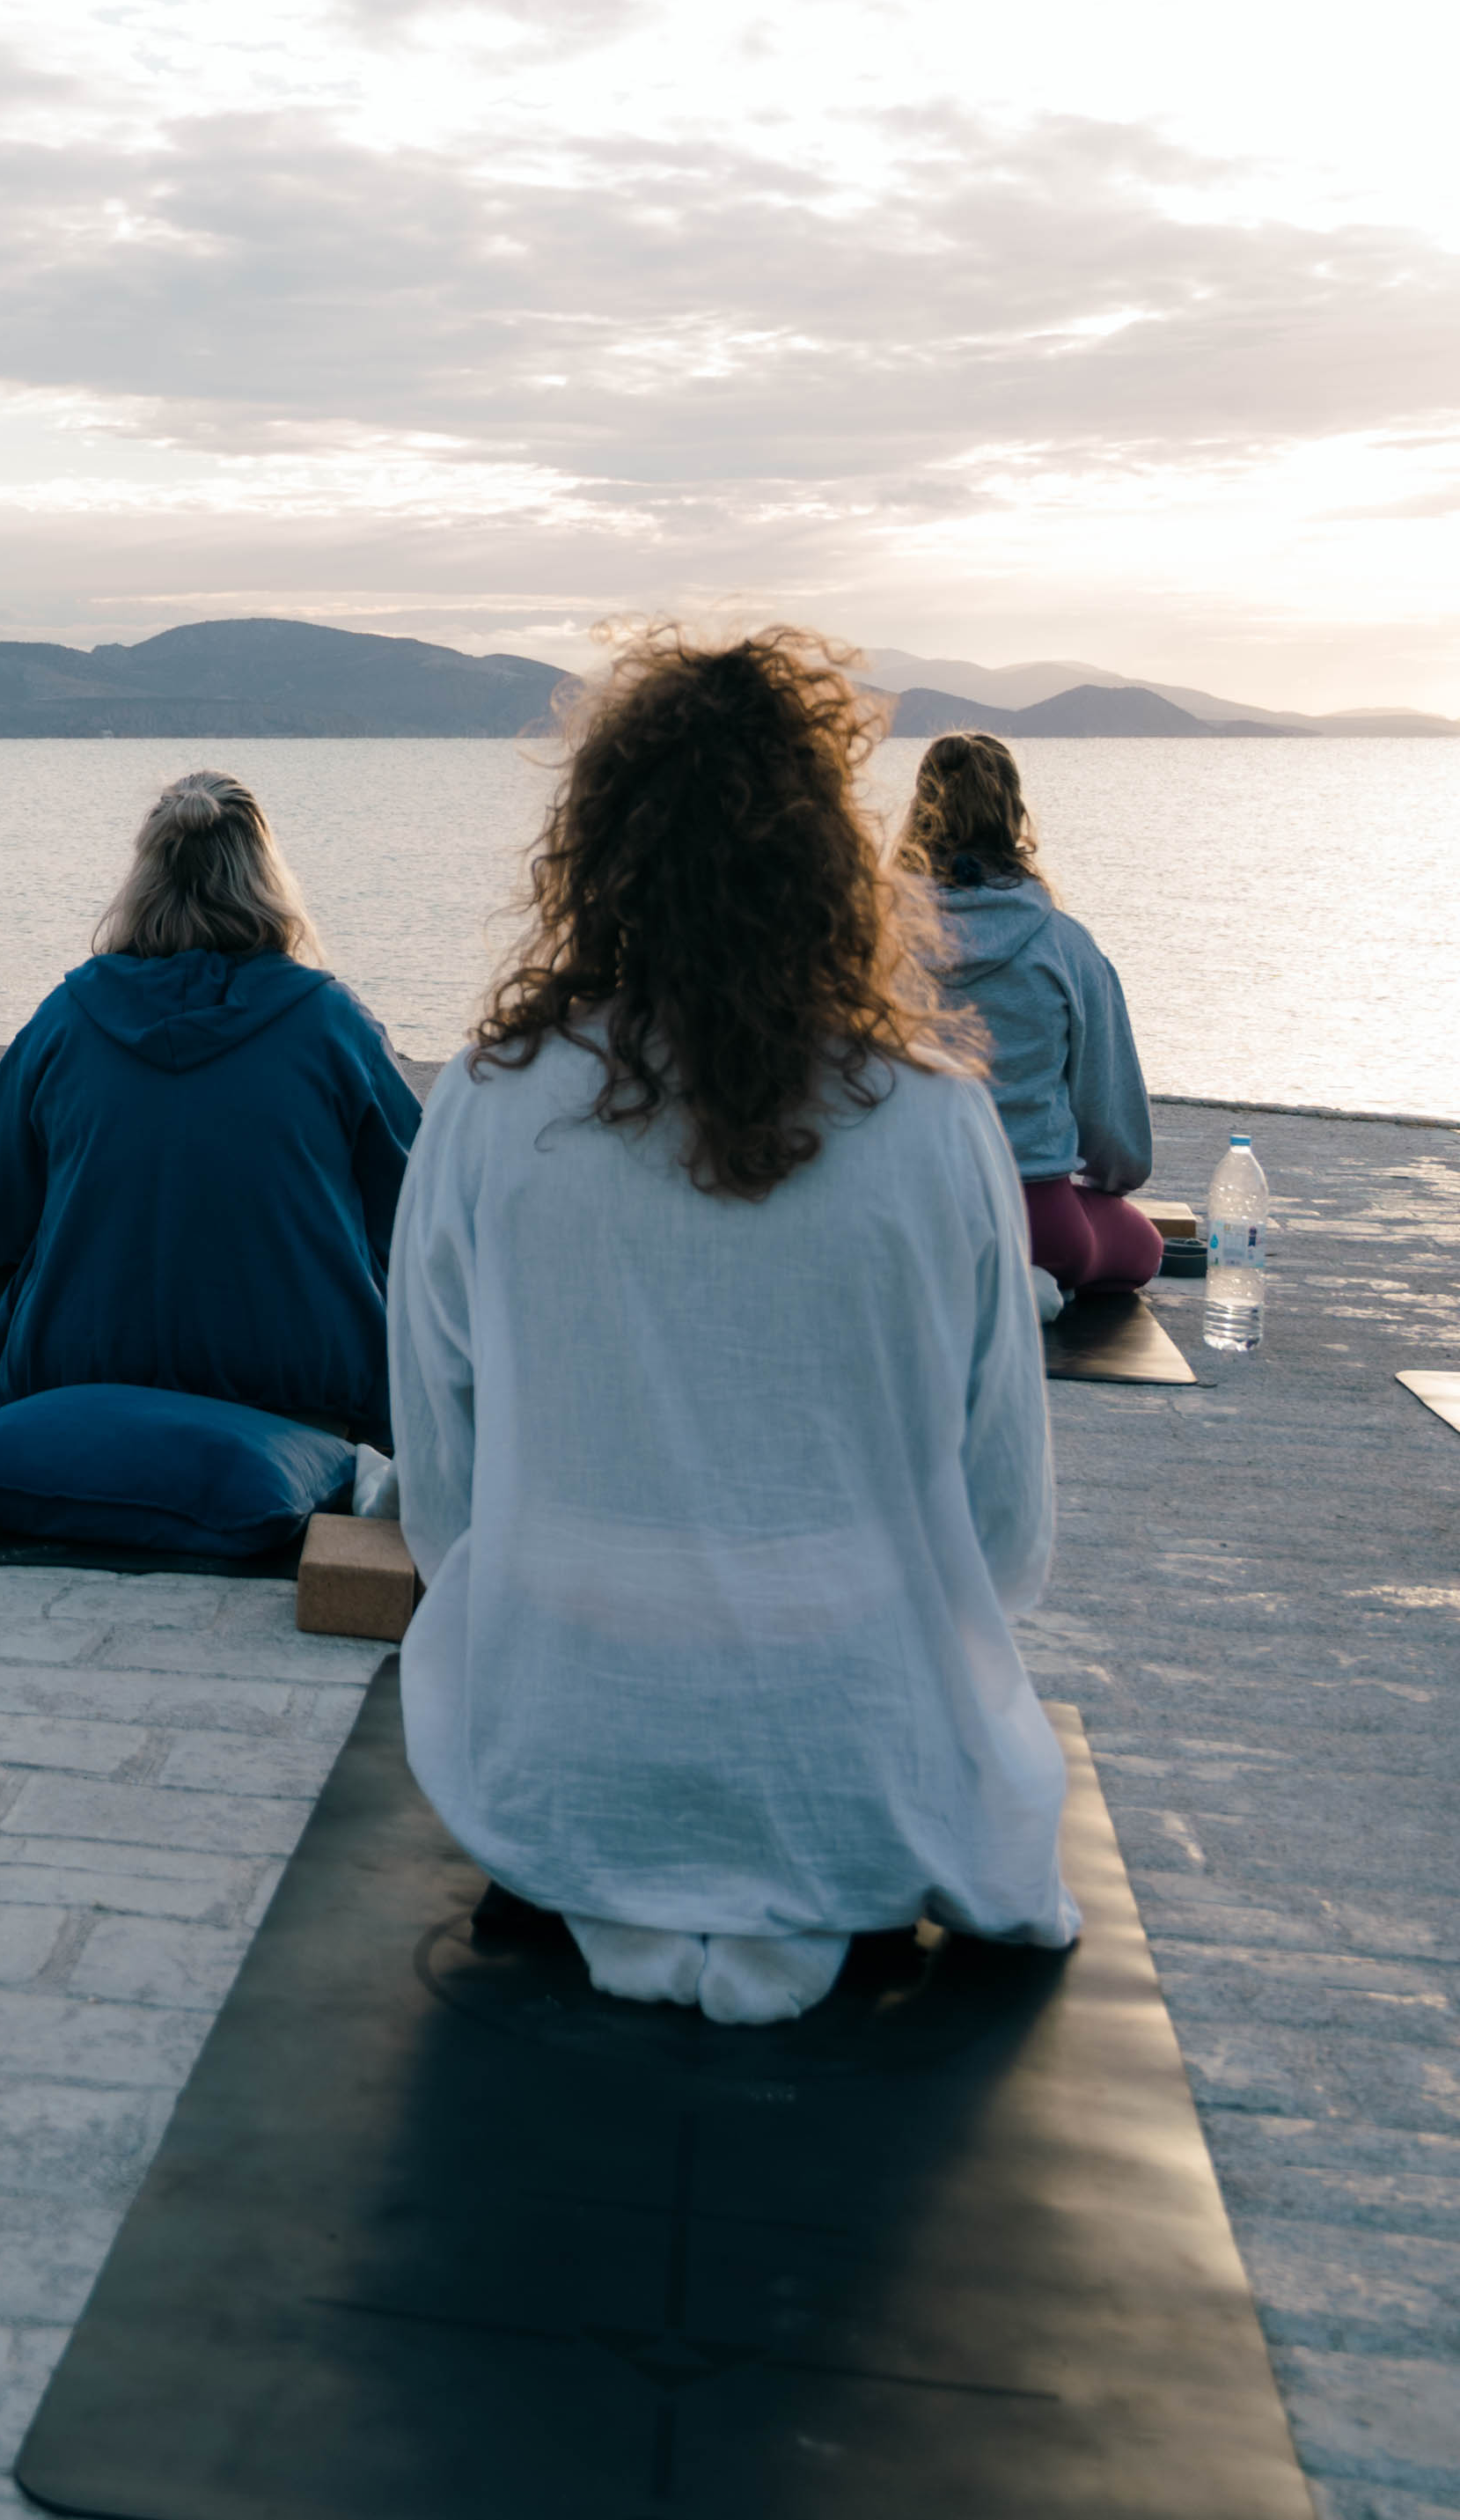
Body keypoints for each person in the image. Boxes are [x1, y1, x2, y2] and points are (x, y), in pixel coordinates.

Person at [389, 626, 1073, 2024]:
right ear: (832, 852)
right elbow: (1002, 1524)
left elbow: (440, 1479)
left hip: (564, 1725)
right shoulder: (936, 1122)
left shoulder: (486, 1101)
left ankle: (633, 1877)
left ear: (597, 850)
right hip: (846, 1734)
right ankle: (778, 1878)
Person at [0, 773, 418, 1439]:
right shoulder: (331, 1019)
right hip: (303, 1368)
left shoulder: (69, 1015)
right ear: (265, 877)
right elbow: (416, 1210)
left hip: (81, 1361)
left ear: (142, 878)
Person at [896, 733, 1159, 1311]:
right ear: (1014, 816)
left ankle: (962, 1280)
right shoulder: (1065, 946)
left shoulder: (866, 939)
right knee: (1144, 1247)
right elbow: (1118, 1140)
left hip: (898, 1206)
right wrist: (1106, 1187)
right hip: (1033, 1217)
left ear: (917, 812)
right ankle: (1020, 1283)